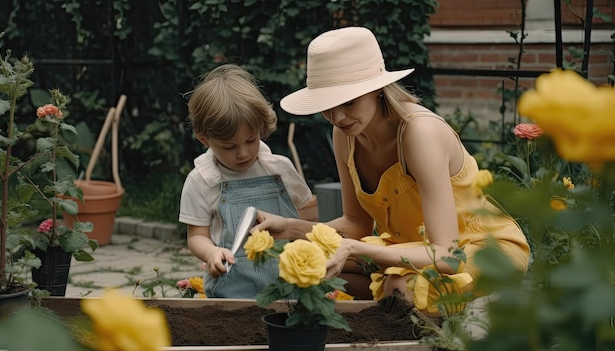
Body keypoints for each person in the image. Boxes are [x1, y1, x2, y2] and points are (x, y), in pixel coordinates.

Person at [252, 27, 531, 309]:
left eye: (348, 101)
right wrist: (291, 229)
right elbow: (355, 224)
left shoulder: (419, 133)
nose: (336, 116)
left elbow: (447, 254)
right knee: (307, 263)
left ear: (376, 89)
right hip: (409, 250)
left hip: (480, 251)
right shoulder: (345, 135)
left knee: (399, 287)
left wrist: (356, 249)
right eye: (327, 105)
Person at [179, 63, 314, 298]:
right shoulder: (201, 180)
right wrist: (211, 253)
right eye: (229, 146)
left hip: (291, 284)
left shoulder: (279, 168)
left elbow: (307, 214)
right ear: (204, 139)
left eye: (251, 140)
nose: (243, 153)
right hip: (232, 288)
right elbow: (197, 236)